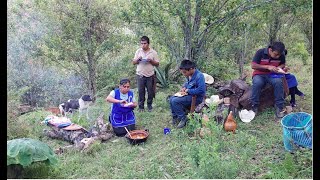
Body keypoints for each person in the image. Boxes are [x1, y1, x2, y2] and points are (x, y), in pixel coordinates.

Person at [250, 41, 286, 118]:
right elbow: (253, 65)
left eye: (279, 55)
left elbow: (283, 63)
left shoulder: (281, 54)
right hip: (259, 74)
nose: (277, 56)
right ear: (270, 50)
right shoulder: (260, 52)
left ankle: (279, 107)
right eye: (276, 54)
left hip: (273, 75)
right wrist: (267, 67)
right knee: (257, 83)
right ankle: (254, 106)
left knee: (278, 82)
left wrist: (279, 68)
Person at [169, 60, 206, 128]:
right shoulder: (189, 75)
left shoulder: (199, 76)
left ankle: (183, 118)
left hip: (196, 98)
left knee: (175, 101)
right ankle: (175, 117)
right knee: (171, 98)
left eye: (185, 72)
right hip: (189, 95)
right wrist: (184, 87)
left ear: (191, 69)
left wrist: (188, 91)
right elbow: (187, 83)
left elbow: (201, 90)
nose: (184, 74)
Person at [132, 36, 160, 112]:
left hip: (150, 75)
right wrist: (138, 59)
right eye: (142, 43)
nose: (143, 45)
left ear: (148, 44)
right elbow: (133, 62)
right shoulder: (138, 51)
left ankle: (149, 106)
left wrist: (151, 61)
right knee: (141, 91)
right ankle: (141, 107)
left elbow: (157, 64)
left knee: (150, 91)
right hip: (140, 74)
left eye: (145, 43)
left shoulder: (153, 52)